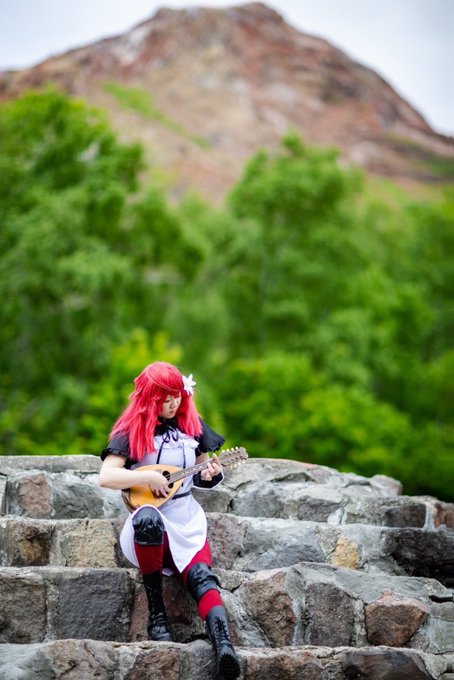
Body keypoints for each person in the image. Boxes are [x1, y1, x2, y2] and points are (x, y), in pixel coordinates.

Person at [98, 361, 240, 680]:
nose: (173, 403)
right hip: (150, 522)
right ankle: (157, 616)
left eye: (176, 395)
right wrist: (146, 478)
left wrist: (211, 474)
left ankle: (224, 647)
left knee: (202, 576)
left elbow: (200, 474)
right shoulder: (131, 430)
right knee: (147, 519)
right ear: (150, 398)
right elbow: (106, 476)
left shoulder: (191, 426)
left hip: (186, 518)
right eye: (165, 398)